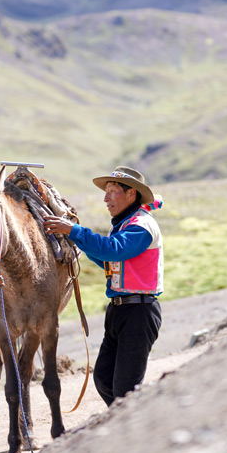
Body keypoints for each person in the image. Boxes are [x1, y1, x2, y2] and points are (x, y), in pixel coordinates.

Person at [43, 166, 163, 406]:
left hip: (139, 313)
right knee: (103, 379)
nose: (106, 198)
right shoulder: (124, 224)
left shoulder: (141, 226)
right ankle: (123, 424)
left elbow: (112, 250)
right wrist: (76, 240)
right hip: (120, 310)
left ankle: (134, 429)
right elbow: (109, 258)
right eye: (106, 191)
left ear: (132, 195)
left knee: (125, 388)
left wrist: (75, 231)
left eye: (113, 191)